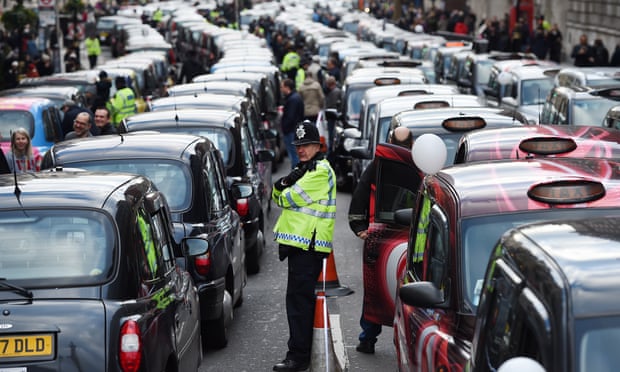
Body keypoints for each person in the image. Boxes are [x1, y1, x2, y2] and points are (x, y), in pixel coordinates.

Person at [272, 121, 336, 372]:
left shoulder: (319, 171)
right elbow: (277, 195)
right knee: (298, 301)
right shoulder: (305, 169)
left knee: (299, 303)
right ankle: (299, 353)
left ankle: (298, 358)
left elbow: (288, 197)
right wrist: (286, 184)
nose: (301, 150)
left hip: (308, 244)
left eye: (306, 145)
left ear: (317, 146)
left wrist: (285, 184)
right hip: (299, 244)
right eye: (298, 145)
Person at [347, 126, 413, 355]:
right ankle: (368, 337)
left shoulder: (422, 168)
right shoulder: (379, 166)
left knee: (410, 292)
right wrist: (359, 227)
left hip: (413, 237)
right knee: (375, 291)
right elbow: (360, 195)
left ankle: (392, 338)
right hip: (384, 235)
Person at [280, 78, 305, 169]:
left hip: (291, 131)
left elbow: (290, 117)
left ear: (287, 87)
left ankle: (295, 175)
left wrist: (285, 128)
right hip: (294, 129)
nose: (281, 89)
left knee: (294, 154)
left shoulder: (293, 99)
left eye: (282, 87)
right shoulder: (295, 97)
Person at [324, 75, 341, 156]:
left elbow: (331, 105)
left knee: (332, 135)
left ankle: (331, 151)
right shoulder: (336, 91)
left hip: (332, 117)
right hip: (332, 116)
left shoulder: (334, 92)